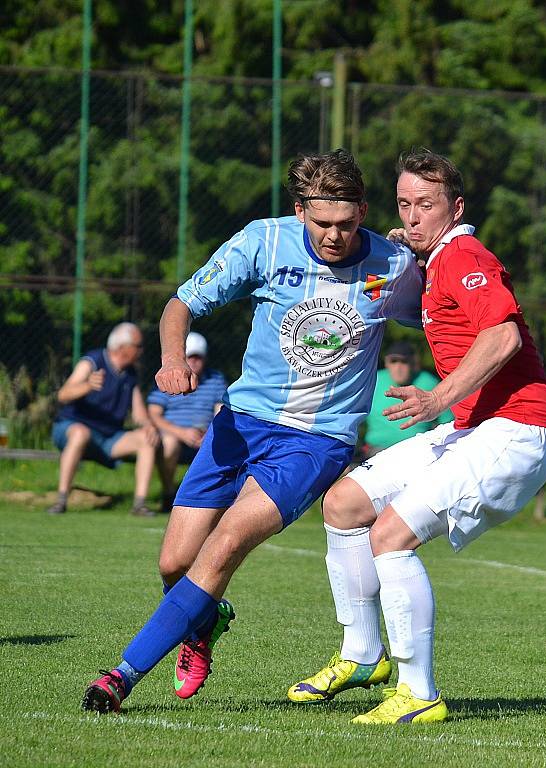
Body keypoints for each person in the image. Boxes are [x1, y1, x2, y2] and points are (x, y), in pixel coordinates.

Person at [80, 148, 423, 714]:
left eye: (347, 223)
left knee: (223, 548)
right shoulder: (263, 242)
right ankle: (204, 622)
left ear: (363, 210)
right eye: (321, 224)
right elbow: (180, 305)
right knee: (174, 564)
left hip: (317, 440)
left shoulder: (391, 265)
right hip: (240, 424)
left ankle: (120, 676)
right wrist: (169, 362)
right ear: (299, 211)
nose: (335, 236)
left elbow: (442, 305)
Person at [288, 149, 546, 724]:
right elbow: (417, 301)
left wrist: (438, 398)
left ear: (455, 208)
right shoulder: (437, 258)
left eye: (426, 205)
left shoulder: (463, 253)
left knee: (390, 535)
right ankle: (363, 656)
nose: (412, 217)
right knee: (343, 504)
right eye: (405, 205)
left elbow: (504, 335)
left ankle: (418, 692)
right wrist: (404, 254)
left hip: (517, 430)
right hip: (473, 430)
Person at [47, 322, 160, 517]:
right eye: (138, 346)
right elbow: (63, 395)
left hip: (108, 437)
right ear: (123, 347)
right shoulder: (92, 361)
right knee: (80, 433)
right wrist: (87, 386)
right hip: (72, 428)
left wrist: (148, 425)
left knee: (146, 439)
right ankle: (61, 500)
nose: (141, 351)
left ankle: (139, 504)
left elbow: (139, 412)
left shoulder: (130, 374)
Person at [147, 331, 227, 512]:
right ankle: (169, 494)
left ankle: (212, 502)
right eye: (190, 357)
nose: (194, 362)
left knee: (222, 442)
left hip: (204, 435)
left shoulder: (215, 379)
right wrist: (181, 433)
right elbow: (154, 414)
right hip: (173, 435)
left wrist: (209, 433)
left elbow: (220, 411)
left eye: (198, 357)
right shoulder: (167, 378)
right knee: (169, 443)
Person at [363, 340, 452, 457]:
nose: (398, 367)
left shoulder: (429, 382)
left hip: (419, 450)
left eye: (404, 361)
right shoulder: (373, 380)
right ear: (386, 363)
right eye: (393, 361)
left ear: (413, 363)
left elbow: (448, 422)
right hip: (377, 450)